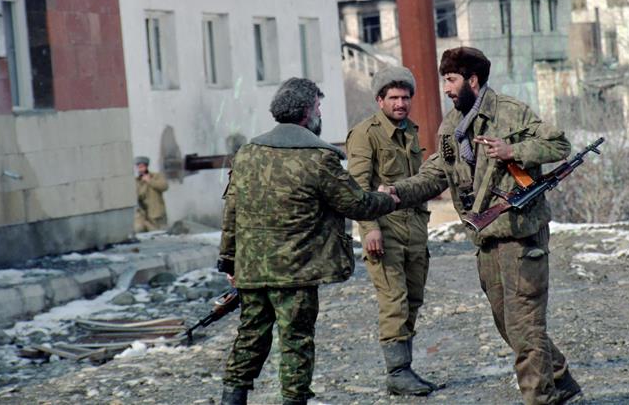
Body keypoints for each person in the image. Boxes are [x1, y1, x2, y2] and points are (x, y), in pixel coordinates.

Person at [382, 47, 582, 405]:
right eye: (445, 80)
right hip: (486, 240)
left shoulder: (510, 112)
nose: (446, 88)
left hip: (521, 237)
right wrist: (398, 192)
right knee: (509, 326)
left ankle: (541, 398)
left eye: (451, 80)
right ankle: (561, 381)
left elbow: (558, 144)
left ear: (472, 80)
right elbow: (436, 174)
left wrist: (513, 151)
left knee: (524, 327)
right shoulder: (451, 127)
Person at [217, 77, 400, 405]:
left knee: (250, 336)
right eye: (318, 106)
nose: (320, 113)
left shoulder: (246, 154)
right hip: (297, 271)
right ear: (305, 112)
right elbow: (356, 203)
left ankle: (232, 398)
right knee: (296, 342)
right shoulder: (318, 157)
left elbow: (232, 212)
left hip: (252, 269)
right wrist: (388, 198)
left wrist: (229, 261)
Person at [345, 66, 436, 396]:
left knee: (413, 298)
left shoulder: (410, 131)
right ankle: (397, 372)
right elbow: (357, 187)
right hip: (384, 230)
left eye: (405, 98)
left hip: (415, 228)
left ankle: (405, 369)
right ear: (379, 100)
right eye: (394, 98)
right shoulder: (365, 134)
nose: (400, 104)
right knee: (394, 300)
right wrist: (369, 228)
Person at [134, 156, 169, 232]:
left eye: (142, 167)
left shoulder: (156, 176)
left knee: (160, 233)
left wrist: (150, 181)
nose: (140, 169)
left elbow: (165, 186)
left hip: (157, 214)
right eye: (138, 167)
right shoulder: (136, 181)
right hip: (143, 215)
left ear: (146, 166)